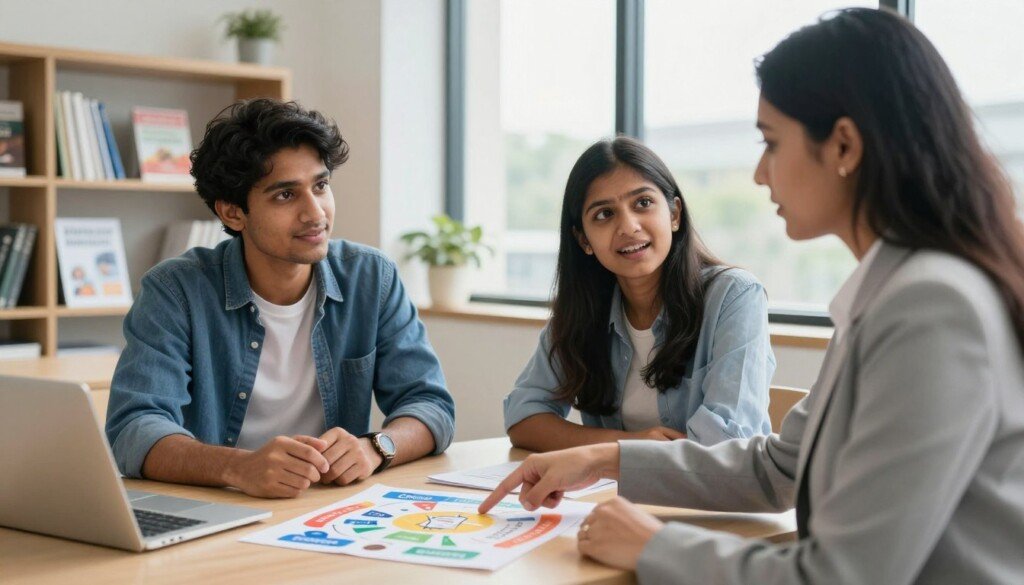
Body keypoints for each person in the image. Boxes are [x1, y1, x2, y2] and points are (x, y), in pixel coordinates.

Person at [480, 8, 1024, 583]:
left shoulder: (932, 307)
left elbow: (842, 575)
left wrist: (655, 546)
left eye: (771, 143)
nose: (760, 174)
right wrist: (603, 457)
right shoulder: (893, 294)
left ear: (843, 145)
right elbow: (778, 466)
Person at [106, 99, 455, 499]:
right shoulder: (175, 291)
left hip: (324, 508)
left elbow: (430, 405)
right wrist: (238, 467)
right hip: (220, 505)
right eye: (285, 195)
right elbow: (134, 430)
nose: (315, 213)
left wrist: (376, 447)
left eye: (320, 186)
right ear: (232, 213)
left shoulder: (371, 277)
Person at [503, 137, 775, 452]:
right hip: (613, 497)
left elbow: (725, 442)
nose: (628, 226)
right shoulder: (584, 311)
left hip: (712, 498)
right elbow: (524, 418)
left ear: (674, 214)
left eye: (643, 203)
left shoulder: (734, 297)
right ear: (584, 240)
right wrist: (628, 444)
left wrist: (614, 455)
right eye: (604, 214)